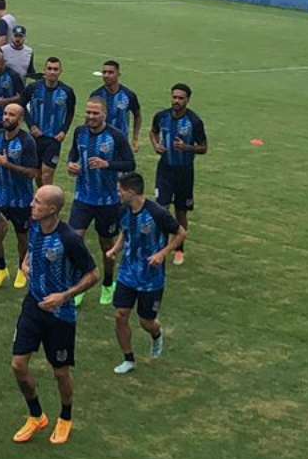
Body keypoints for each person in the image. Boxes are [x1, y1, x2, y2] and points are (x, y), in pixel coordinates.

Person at [10, 184, 98, 446]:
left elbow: (93, 275)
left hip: (60, 314)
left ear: (52, 209)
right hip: (33, 305)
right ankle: (36, 415)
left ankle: (66, 417)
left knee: (60, 372)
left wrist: (65, 296)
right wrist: (26, 263)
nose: (32, 205)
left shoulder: (69, 239)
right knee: (18, 364)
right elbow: (32, 249)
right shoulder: (36, 225)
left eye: (37, 202)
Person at [107, 172, 183, 374]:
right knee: (120, 315)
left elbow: (181, 232)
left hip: (151, 278)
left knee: (146, 321)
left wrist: (163, 253)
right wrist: (116, 249)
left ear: (131, 192)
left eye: (120, 190)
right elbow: (126, 231)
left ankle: (157, 334)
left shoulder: (157, 213)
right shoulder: (123, 210)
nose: (118, 194)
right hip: (127, 273)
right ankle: (129, 359)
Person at [66, 96, 135, 307]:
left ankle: (107, 283)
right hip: (83, 198)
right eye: (88, 112)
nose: (91, 116)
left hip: (108, 201)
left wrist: (108, 164)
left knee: (107, 245)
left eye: (95, 113)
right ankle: (81, 284)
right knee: (75, 240)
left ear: (104, 114)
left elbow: (130, 163)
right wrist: (71, 165)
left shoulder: (116, 136)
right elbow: (73, 155)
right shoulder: (80, 132)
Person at [151, 83, 208, 263]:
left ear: (188, 100)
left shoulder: (195, 121)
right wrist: (156, 145)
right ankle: (159, 245)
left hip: (184, 172)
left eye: (180, 98)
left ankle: (179, 248)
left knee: (181, 211)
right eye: (174, 97)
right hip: (165, 170)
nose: (176, 101)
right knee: (161, 208)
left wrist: (187, 147)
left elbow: (204, 147)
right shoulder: (162, 116)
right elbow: (153, 132)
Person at [0, 100, 40, 291]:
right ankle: (1, 270)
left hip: (21, 198)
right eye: (5, 114)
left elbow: (32, 172)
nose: (7, 117)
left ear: (20, 119)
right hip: (0, 195)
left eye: (11, 115)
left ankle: (21, 269)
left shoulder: (27, 141)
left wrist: (7, 164)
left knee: (22, 237)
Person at [22, 57, 77, 186]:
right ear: (44, 70)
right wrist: (31, 126)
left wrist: (64, 131)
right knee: (37, 174)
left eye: (55, 69)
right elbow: (22, 106)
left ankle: (48, 200)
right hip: (35, 137)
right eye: (50, 69)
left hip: (54, 139)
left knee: (47, 173)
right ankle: (43, 198)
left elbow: (70, 112)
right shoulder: (33, 88)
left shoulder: (67, 92)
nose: (52, 72)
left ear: (60, 71)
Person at [91, 60, 142, 150]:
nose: (106, 75)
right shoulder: (96, 95)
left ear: (118, 74)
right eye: (104, 72)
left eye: (110, 72)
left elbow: (137, 115)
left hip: (122, 142)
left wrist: (135, 138)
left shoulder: (128, 95)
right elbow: (90, 118)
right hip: (101, 142)